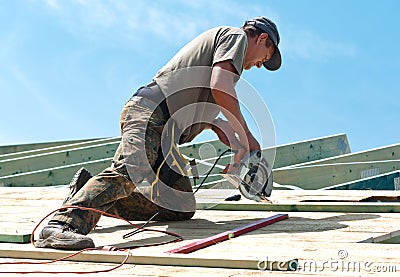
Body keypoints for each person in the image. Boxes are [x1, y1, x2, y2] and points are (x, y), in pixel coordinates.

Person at [35, 16, 282, 250]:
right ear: (261, 39)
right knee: (132, 170)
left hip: (167, 134)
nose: (259, 65)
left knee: (180, 206)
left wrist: (236, 144)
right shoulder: (234, 36)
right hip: (151, 112)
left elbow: (214, 112)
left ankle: (86, 192)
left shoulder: (221, 70)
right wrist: (248, 138)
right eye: (265, 57)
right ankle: (61, 224)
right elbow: (220, 87)